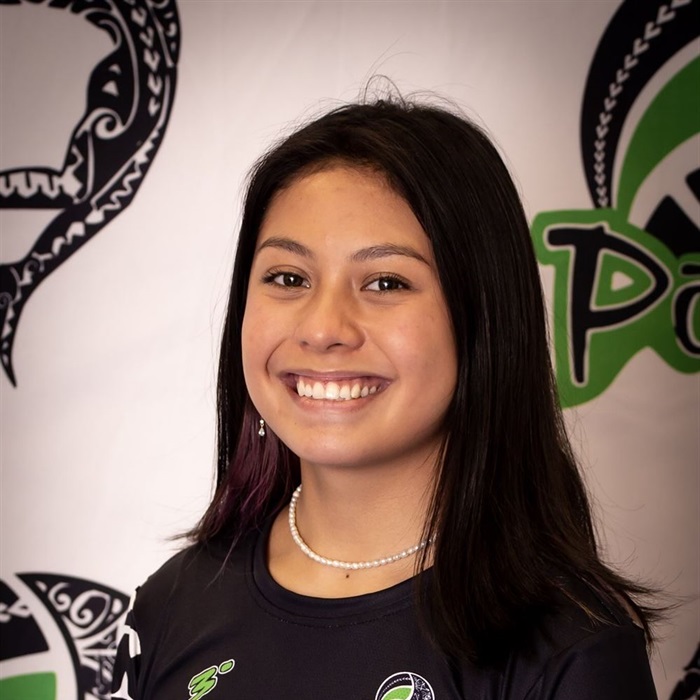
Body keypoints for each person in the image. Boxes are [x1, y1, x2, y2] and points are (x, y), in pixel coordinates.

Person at [111, 97, 659, 699]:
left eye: (385, 282)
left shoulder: (571, 650)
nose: (322, 328)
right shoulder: (168, 609)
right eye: (288, 278)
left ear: (483, 318)